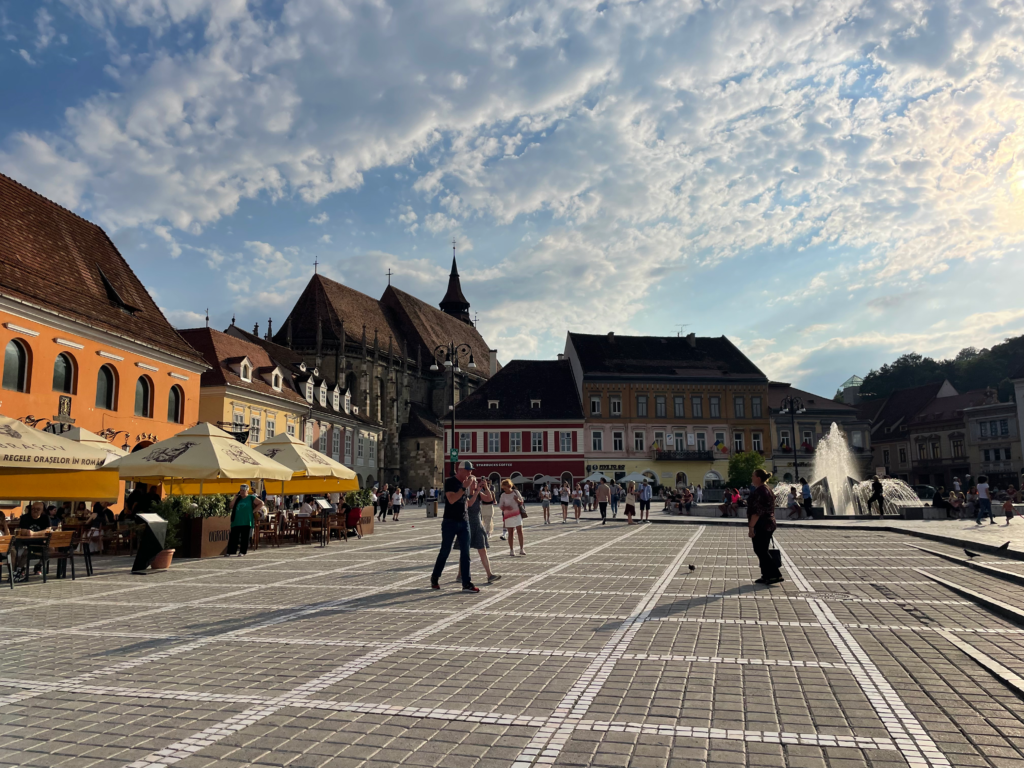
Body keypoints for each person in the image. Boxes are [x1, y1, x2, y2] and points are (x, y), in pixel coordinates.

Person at [430, 461, 479, 593]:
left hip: (464, 521)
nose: (470, 473)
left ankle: (466, 583)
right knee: (445, 550)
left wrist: (475, 491)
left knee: (466, 553)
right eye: (468, 470)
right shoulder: (451, 482)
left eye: (471, 471)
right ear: (460, 470)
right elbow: (451, 499)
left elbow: (466, 503)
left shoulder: (466, 483)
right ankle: (435, 577)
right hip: (450, 522)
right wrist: (463, 488)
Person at [458, 476, 500, 583]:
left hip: (477, 524)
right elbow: (469, 503)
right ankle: (460, 574)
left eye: (476, 482)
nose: (476, 483)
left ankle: (489, 574)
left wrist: (486, 488)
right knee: (465, 552)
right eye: (473, 482)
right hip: (466, 525)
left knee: (483, 550)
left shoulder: (479, 493)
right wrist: (477, 492)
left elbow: (489, 499)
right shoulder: (464, 494)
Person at [748, 468, 783, 585]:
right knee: (762, 550)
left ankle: (775, 575)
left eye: (753, 476)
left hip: (762, 524)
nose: (751, 478)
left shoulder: (760, 491)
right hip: (768, 523)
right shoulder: (766, 489)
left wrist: (751, 527)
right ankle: (766, 575)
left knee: (760, 550)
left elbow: (757, 511)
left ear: (758, 478)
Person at [13, 502, 52, 581]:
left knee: (51, 550)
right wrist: (41, 533)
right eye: (33, 509)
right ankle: (18, 570)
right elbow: (23, 531)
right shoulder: (25, 517)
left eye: (38, 509)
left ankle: (39, 565)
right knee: (24, 552)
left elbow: (48, 530)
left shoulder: (46, 518)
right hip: (26, 543)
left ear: (42, 511)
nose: (35, 511)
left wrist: (34, 533)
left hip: (40, 543)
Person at [227, 484, 263, 556]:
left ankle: (242, 552)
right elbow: (231, 506)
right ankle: (230, 551)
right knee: (233, 537)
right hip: (236, 520)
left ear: (247, 491)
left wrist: (254, 511)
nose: (242, 492)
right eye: (241, 490)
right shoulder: (238, 498)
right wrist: (235, 497)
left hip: (246, 520)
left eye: (244, 490)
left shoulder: (251, 497)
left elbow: (261, 503)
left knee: (244, 537)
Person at [499, 478, 526, 556]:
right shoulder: (503, 495)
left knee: (520, 531)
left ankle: (521, 549)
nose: (504, 489)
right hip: (508, 515)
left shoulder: (516, 492)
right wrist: (507, 508)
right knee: (510, 533)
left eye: (505, 488)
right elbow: (501, 506)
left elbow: (521, 502)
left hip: (517, 514)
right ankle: (511, 550)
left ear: (509, 486)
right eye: (503, 488)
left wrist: (517, 500)